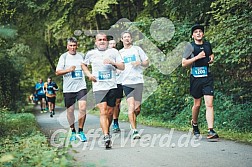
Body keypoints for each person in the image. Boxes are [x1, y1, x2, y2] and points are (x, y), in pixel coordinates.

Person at [84, 32, 124, 148]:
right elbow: (83, 65)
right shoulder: (91, 53)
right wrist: (89, 75)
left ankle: (107, 130)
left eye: (104, 39)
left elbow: (122, 66)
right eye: (99, 39)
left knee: (110, 112)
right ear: (96, 42)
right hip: (98, 86)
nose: (102, 41)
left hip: (112, 86)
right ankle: (106, 135)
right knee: (103, 111)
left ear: (107, 41)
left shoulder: (113, 52)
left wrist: (112, 62)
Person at [182, 24, 219, 141]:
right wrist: (197, 57)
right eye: (196, 32)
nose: (198, 33)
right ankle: (195, 123)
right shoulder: (190, 47)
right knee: (197, 105)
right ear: (193, 35)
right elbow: (184, 63)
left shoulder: (207, 45)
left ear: (203, 34)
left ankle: (210, 130)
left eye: (200, 31)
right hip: (195, 79)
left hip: (207, 78)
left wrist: (212, 58)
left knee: (209, 104)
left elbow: (211, 54)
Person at [55, 37, 96, 142]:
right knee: (70, 111)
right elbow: (57, 72)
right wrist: (68, 70)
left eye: (74, 45)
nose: (73, 48)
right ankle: (72, 131)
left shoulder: (82, 56)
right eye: (71, 46)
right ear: (67, 46)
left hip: (81, 86)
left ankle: (81, 131)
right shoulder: (63, 57)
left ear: (77, 46)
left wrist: (90, 75)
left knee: (82, 108)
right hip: (68, 89)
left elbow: (87, 67)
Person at [119, 31, 149, 139]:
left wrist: (139, 63)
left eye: (128, 37)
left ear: (131, 39)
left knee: (137, 109)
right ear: (121, 39)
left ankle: (132, 121)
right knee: (131, 106)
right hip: (127, 82)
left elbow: (147, 62)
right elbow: (117, 66)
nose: (127, 39)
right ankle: (134, 129)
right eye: (125, 37)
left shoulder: (137, 49)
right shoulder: (119, 53)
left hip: (138, 81)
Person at [108, 39, 123, 133]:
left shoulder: (119, 54)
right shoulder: (104, 55)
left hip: (118, 82)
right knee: (109, 105)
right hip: (108, 83)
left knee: (117, 103)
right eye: (111, 44)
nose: (113, 45)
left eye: (114, 43)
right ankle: (107, 123)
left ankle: (115, 122)